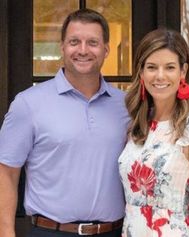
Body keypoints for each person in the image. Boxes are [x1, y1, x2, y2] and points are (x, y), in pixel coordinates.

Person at [0, 8, 129, 237]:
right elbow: (7, 173)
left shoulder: (127, 105)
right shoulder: (28, 104)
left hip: (115, 231)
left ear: (106, 49)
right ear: (62, 47)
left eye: (92, 42)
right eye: (74, 42)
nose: (82, 50)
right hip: (51, 232)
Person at [118, 28, 189, 237]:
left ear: (182, 72)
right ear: (141, 72)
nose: (160, 76)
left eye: (170, 67)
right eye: (152, 67)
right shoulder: (138, 124)